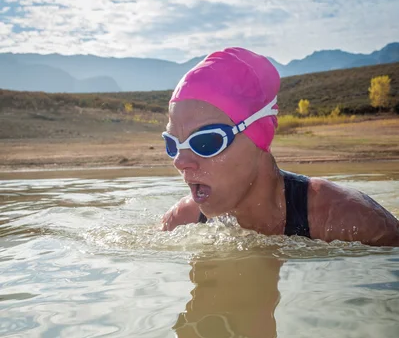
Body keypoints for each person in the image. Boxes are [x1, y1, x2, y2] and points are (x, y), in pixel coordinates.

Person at [160, 47, 399, 246]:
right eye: (172, 144)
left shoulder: (349, 220)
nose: (180, 161)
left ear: (259, 136)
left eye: (205, 141)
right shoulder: (181, 221)